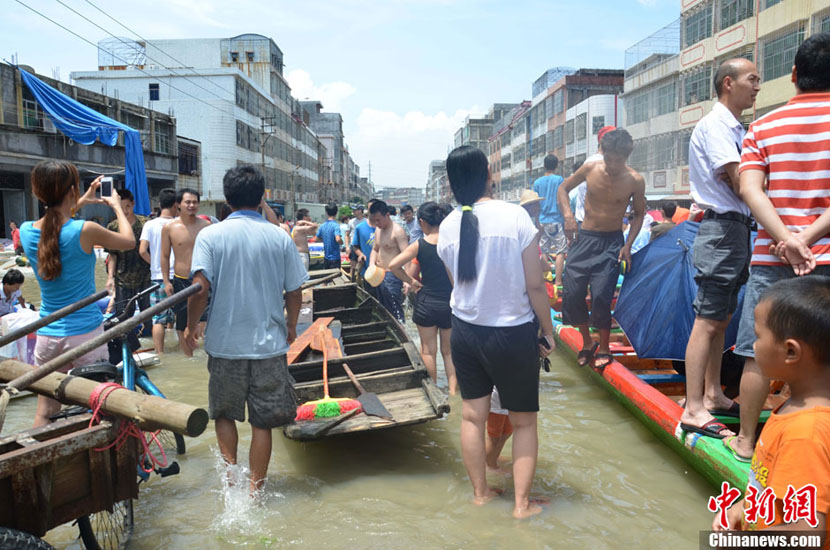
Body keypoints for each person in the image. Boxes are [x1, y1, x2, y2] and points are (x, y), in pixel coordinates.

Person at [727, 33, 830, 461]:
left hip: (773, 257)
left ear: (793, 76)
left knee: (756, 353)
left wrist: (787, 240)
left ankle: (747, 441)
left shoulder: (763, 127)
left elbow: (751, 190)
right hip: (825, 258)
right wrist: (807, 239)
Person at [437, 145, 555, 519]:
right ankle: (522, 506)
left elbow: (459, 285)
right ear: (489, 173)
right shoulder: (516, 217)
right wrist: (549, 333)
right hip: (512, 333)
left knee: (472, 417)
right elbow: (535, 286)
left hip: (466, 332)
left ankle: (480, 494)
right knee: (523, 422)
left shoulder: (447, 226)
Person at [184, 165, 307, 495]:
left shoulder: (210, 235)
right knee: (262, 422)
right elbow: (295, 291)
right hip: (269, 345)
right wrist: (292, 325)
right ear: (262, 196)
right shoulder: (279, 235)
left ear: (227, 198)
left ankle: (230, 484)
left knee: (224, 415)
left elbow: (200, 288)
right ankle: (256, 490)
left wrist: (190, 328)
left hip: (225, 345)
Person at [678, 58, 761, 439]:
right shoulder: (716, 126)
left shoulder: (734, 127)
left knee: (721, 319)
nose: (756, 86)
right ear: (728, 83)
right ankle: (693, 407)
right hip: (722, 230)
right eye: (751, 79)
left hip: (734, 230)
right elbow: (740, 182)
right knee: (708, 320)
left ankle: (712, 393)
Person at [713, 277, 830, 539]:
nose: (753, 346)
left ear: (791, 352)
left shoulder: (805, 433)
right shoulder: (793, 409)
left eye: (757, 336)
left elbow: (808, 533)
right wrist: (742, 508)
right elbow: (773, 485)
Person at [19, 161, 134, 427]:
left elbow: (56, 224)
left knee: (45, 411)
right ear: (71, 190)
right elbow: (128, 241)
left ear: (37, 193)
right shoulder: (85, 230)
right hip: (84, 336)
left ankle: (43, 456)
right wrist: (115, 204)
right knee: (99, 408)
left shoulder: (26, 230)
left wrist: (79, 199)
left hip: (47, 335)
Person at [556, 129, 646, 369]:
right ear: (603, 153)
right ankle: (587, 343)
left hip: (612, 242)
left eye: (619, 160)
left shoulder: (635, 180)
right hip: (584, 238)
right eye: (609, 159)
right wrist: (568, 217)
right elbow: (562, 189)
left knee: (601, 295)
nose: (613, 165)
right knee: (573, 293)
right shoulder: (590, 170)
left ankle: (605, 347)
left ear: (626, 157)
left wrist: (627, 245)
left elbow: (639, 214)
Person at [388, 202, 457, 394]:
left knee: (428, 351)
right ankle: (453, 392)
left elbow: (393, 265)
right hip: (451, 303)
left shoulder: (420, 244)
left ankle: (433, 391)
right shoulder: (452, 243)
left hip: (426, 302)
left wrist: (411, 281)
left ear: (422, 222)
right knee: (450, 352)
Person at [161, 188, 211, 357]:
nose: (191, 205)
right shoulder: (169, 228)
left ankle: (204, 358)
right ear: (178, 204)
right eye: (187, 202)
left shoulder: (206, 226)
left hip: (203, 281)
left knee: (204, 322)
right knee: (182, 326)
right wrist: (166, 281)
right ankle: (188, 358)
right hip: (181, 281)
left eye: (195, 202)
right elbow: (165, 256)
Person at [139, 188, 178, 354]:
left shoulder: (149, 224)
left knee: (157, 319)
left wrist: (154, 264)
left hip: (158, 277)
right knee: (180, 317)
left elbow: (142, 250)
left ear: (160, 204)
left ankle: (161, 354)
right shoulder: (179, 224)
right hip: (180, 275)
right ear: (176, 204)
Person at [105, 188, 151, 322]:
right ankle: (126, 342)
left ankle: (148, 341)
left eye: (128, 206)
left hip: (145, 276)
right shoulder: (113, 227)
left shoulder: (145, 224)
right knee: (123, 315)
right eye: (121, 207)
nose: (125, 211)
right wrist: (110, 277)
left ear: (133, 204)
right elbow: (112, 255)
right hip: (122, 278)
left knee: (147, 313)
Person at [368, 200, 409, 322]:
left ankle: (402, 334)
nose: (376, 223)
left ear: (387, 215)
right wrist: (371, 265)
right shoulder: (378, 230)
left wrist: (407, 280)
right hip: (378, 273)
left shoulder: (398, 232)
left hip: (392, 274)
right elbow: (375, 249)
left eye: (378, 220)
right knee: (382, 308)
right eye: (374, 220)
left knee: (395, 309)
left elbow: (407, 256)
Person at [534, 154, 567, 286]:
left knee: (544, 251)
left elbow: (535, 204)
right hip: (556, 220)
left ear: (544, 166)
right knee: (560, 251)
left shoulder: (537, 182)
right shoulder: (559, 180)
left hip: (542, 220)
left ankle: (546, 281)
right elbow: (561, 200)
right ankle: (558, 281)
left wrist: (537, 221)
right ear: (556, 165)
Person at [351, 201, 376, 287]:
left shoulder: (385, 227)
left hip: (384, 271)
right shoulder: (360, 227)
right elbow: (355, 246)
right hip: (367, 270)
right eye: (370, 209)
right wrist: (360, 254)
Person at [316, 202, 343, 270]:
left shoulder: (322, 225)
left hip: (326, 257)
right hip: (335, 258)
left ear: (326, 213)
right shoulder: (336, 225)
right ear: (336, 212)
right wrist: (342, 242)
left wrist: (325, 239)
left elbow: (317, 238)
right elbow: (338, 239)